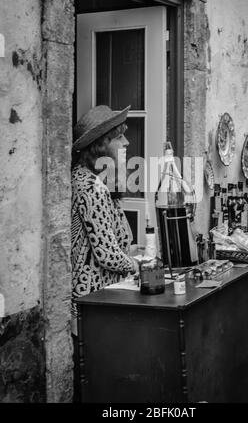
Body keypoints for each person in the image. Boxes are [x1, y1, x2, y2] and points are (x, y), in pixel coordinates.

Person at [71, 104, 136, 400]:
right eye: (119, 137)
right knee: (102, 379)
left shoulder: (87, 180)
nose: (126, 143)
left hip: (91, 298)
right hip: (93, 298)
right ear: (102, 144)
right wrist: (138, 265)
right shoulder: (91, 186)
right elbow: (108, 254)